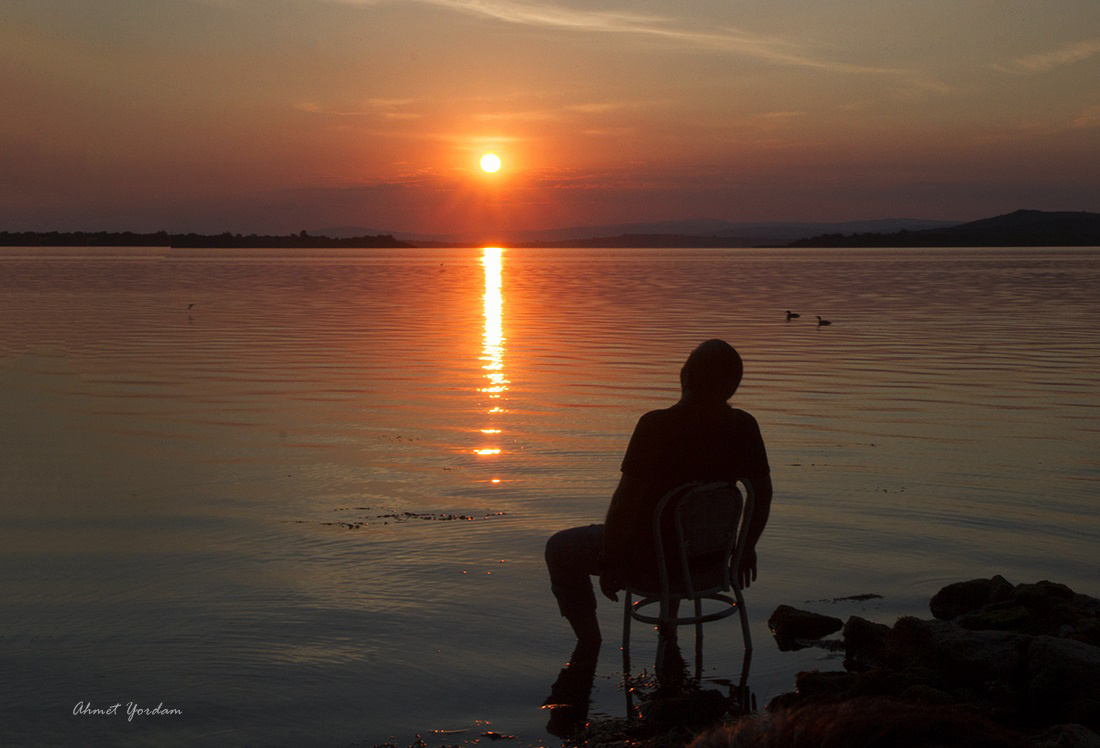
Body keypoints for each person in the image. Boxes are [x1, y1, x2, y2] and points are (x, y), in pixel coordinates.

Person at [545, 339, 773, 645]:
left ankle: (588, 647)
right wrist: (745, 548)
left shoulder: (655, 427)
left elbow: (625, 504)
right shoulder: (744, 427)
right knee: (671, 531)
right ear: (732, 387)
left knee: (559, 549)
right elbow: (763, 495)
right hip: (711, 566)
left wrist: (610, 561)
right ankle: (669, 639)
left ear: (685, 376)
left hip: (651, 565)